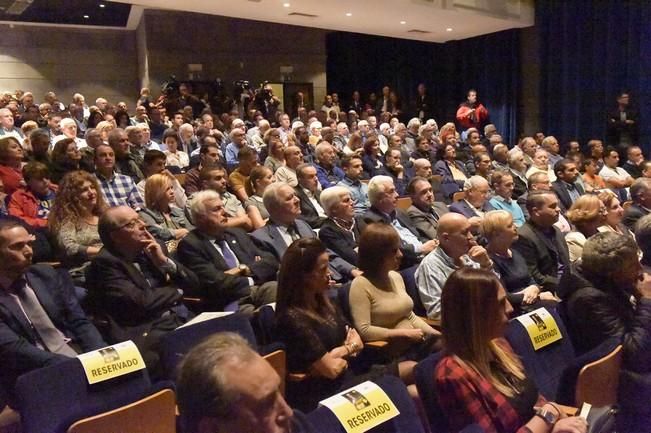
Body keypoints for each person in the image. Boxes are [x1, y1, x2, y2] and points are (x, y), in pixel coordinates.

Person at [435, 268, 587, 433]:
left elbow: (535, 402)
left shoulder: (499, 345)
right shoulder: (452, 374)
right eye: (500, 303)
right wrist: (548, 416)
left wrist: (555, 422)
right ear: (475, 314)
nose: (509, 308)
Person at [0, 219, 105, 398]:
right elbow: (15, 349)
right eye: (17, 246)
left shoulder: (45, 274)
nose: (28, 251)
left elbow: (79, 321)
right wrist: (75, 367)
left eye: (29, 244)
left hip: (75, 352)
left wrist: (100, 354)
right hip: (33, 372)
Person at [274, 237, 378, 411]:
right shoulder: (291, 318)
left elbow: (357, 339)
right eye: (323, 269)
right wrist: (348, 349)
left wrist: (338, 352)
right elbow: (331, 370)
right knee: (409, 380)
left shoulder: (326, 301)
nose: (329, 273)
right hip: (325, 394)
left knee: (411, 374)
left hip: (350, 377)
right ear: (304, 276)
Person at [86, 206, 197, 369]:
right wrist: (177, 291)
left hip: (180, 316)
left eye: (140, 219)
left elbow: (194, 285)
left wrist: (163, 261)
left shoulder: (151, 248)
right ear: (115, 236)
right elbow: (142, 301)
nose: (142, 225)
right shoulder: (105, 263)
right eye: (132, 223)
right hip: (148, 329)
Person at [176, 332, 312, 433]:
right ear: (212, 429)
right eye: (267, 405)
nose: (288, 412)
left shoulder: (296, 426)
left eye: (279, 391)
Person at [177, 191, 278, 313]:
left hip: (259, 290)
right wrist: (250, 274)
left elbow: (270, 260)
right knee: (257, 315)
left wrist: (244, 270)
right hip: (228, 300)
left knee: (278, 292)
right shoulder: (191, 244)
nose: (225, 212)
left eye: (223, 207)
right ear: (201, 217)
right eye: (217, 209)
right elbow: (215, 282)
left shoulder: (237, 233)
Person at [350, 223, 439, 353]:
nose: (400, 255)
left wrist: (437, 335)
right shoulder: (360, 285)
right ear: (377, 255)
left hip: (415, 344)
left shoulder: (395, 277)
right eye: (394, 251)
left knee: (453, 347)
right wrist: (401, 333)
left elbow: (410, 316)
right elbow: (364, 330)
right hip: (388, 352)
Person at [416, 213, 493, 319]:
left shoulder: (470, 254)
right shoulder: (430, 266)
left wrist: (486, 265)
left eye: (470, 231)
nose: (471, 237)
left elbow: (495, 289)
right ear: (446, 238)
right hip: (465, 324)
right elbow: (437, 313)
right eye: (465, 233)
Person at [482, 210, 557, 313]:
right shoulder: (488, 261)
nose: (516, 227)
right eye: (510, 226)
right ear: (496, 234)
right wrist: (538, 296)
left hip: (530, 303)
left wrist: (535, 288)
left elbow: (531, 279)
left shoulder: (515, 251)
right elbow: (504, 296)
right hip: (514, 309)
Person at [361, 176, 437, 269]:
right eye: (391, 191)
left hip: (425, 256)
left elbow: (418, 235)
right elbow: (393, 249)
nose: (397, 195)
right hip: (406, 264)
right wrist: (421, 249)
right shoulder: (371, 220)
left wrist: (431, 244)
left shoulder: (400, 212)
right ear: (379, 197)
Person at [48, 171, 106, 283]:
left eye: (92, 187)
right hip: (85, 271)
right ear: (72, 196)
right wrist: (103, 252)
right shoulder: (67, 220)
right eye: (84, 190)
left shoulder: (103, 215)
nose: (91, 192)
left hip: (111, 263)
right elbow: (69, 248)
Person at [513, 191, 570, 294]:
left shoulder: (556, 230)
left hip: (566, 283)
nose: (558, 209)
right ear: (536, 211)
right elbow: (535, 275)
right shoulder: (523, 236)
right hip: (548, 290)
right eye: (552, 206)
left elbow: (566, 263)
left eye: (557, 205)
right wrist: (565, 284)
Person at [138, 173, 193, 252]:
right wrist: (180, 232)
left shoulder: (178, 211)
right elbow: (159, 233)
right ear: (155, 192)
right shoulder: (144, 215)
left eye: (172, 188)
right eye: (167, 189)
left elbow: (191, 231)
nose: (172, 192)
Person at [318, 186, 360, 266]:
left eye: (351, 199)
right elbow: (352, 258)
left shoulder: (360, 220)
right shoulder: (327, 231)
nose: (352, 203)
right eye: (346, 200)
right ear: (333, 208)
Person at [94, 143, 145, 209]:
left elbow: (139, 204)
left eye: (111, 155)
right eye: (103, 155)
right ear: (95, 160)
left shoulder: (127, 180)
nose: (108, 158)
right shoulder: (90, 182)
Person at [7, 162, 56, 229]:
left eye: (47, 177)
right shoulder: (19, 196)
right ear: (28, 182)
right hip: (37, 231)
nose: (45, 181)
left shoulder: (59, 191)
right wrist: (45, 223)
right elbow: (16, 218)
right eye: (39, 179)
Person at [565, 195, 607, 262]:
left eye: (605, 209)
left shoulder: (602, 230)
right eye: (600, 211)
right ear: (587, 215)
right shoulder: (574, 239)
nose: (606, 213)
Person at [406, 176, 449, 240]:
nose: (429, 194)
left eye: (430, 190)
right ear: (413, 197)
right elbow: (435, 236)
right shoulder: (414, 212)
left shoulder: (440, 205)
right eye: (424, 192)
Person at [294, 163, 327, 229]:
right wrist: (328, 221)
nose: (316, 179)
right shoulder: (294, 194)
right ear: (300, 179)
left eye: (316, 175)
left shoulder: (318, 192)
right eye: (311, 176)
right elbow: (299, 218)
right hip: (313, 229)